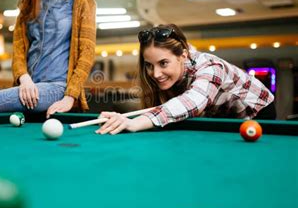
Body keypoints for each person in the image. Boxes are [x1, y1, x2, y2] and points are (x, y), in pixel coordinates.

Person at [96, 24, 275, 135]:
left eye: (163, 63)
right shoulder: (172, 71)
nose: (155, 73)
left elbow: (193, 101)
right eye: (149, 65)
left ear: (183, 55)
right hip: (220, 115)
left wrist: (136, 122)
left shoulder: (211, 67)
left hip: (257, 113)